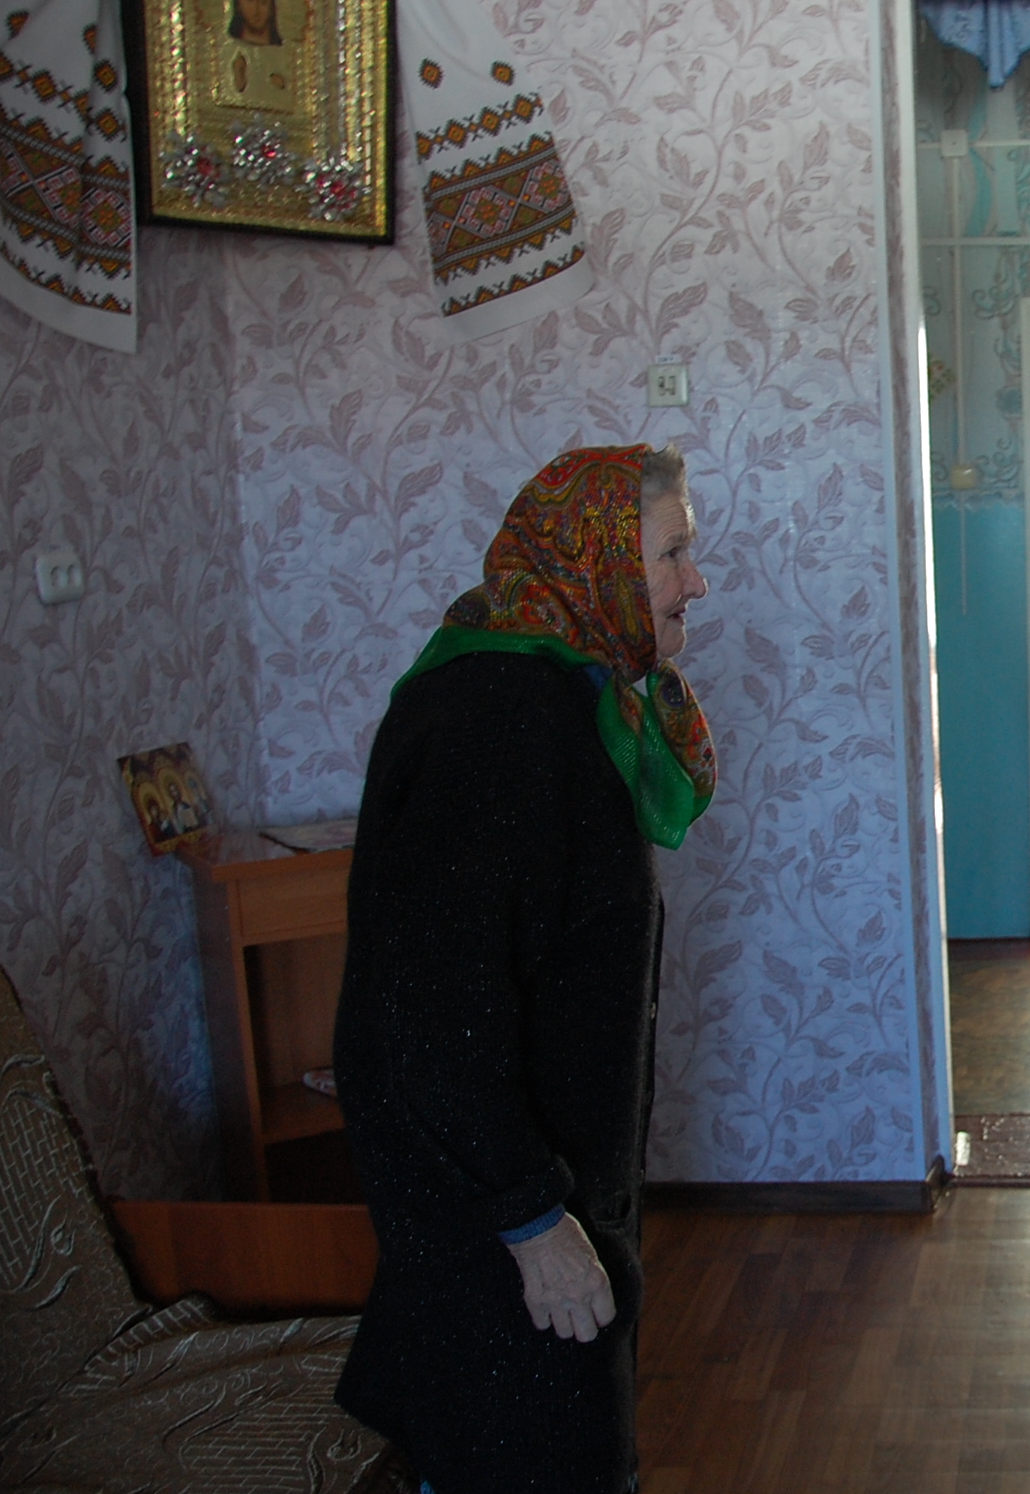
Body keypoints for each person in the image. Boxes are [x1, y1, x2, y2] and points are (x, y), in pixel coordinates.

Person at [333, 444, 714, 1494]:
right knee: (523, 1454)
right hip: (498, 1232)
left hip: (543, 1200)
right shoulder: (495, 721)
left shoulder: (562, 686)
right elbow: (430, 1012)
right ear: (593, 559)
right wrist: (533, 1221)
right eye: (671, 553)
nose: (695, 580)